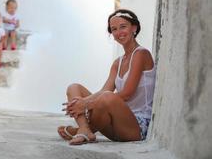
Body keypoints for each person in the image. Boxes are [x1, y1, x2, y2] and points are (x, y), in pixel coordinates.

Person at [58, 9, 156, 145]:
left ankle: (80, 130)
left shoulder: (141, 54)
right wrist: (80, 103)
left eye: (123, 27)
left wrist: (85, 104)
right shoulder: (118, 62)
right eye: (114, 29)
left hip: (137, 127)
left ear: (134, 27)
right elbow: (103, 91)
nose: (119, 32)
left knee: (108, 97)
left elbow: (127, 94)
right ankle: (84, 128)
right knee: (74, 88)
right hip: (116, 124)